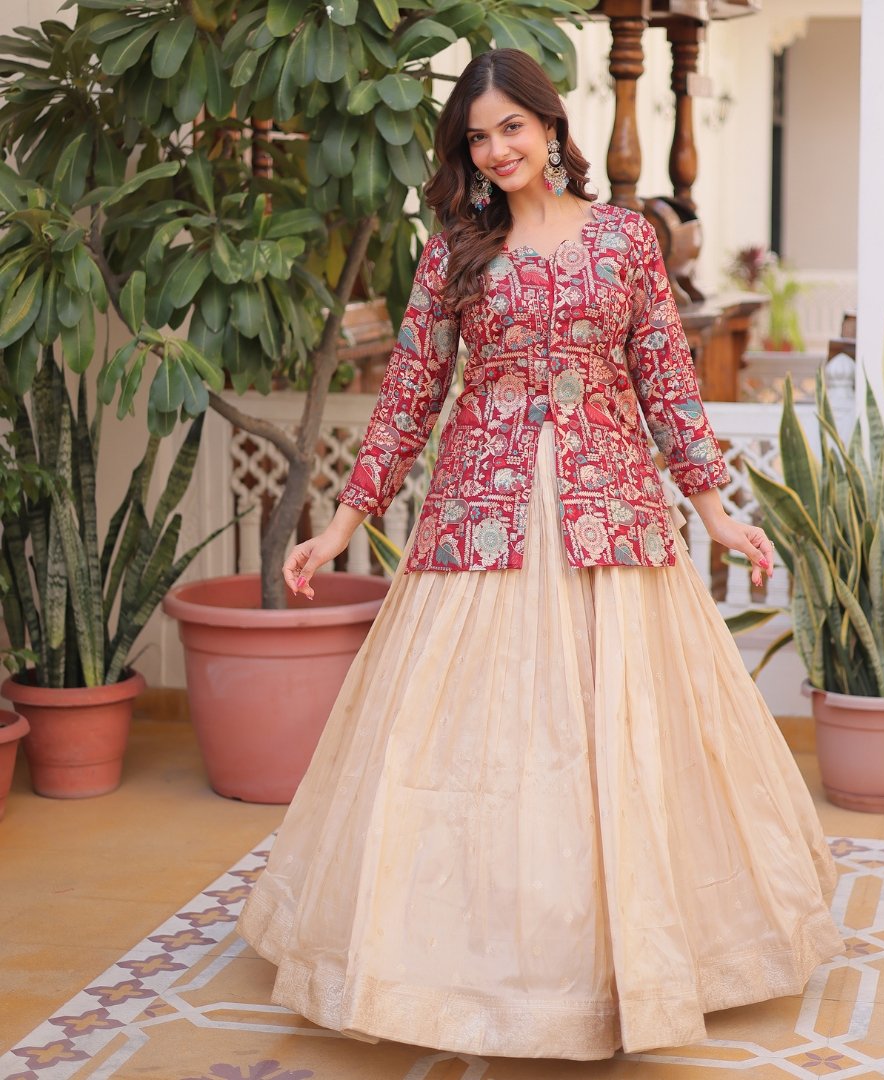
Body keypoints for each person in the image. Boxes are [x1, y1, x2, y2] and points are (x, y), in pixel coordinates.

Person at [237, 48, 843, 1061]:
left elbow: (664, 377)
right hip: (483, 514)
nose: (496, 149)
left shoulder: (624, 242)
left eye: (511, 127)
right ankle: (472, 973)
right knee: (475, 749)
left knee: (622, 739)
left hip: (613, 515)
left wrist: (715, 508)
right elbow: (408, 396)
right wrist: (344, 523)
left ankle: (627, 966)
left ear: (553, 128)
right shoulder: (454, 254)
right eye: (477, 136)